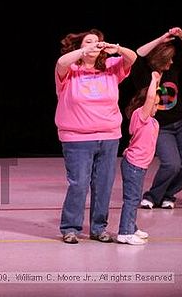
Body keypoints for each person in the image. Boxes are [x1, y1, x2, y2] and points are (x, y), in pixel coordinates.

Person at [54, 28, 137, 244]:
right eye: (87, 42)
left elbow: (133, 57)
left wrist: (115, 49)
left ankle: (99, 227)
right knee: (79, 183)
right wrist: (86, 50)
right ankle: (70, 227)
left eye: (96, 42)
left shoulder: (110, 68)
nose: (93, 44)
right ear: (80, 47)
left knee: (103, 185)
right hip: (77, 138)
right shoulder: (70, 69)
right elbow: (61, 62)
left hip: (109, 136)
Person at [132, 27, 182, 209]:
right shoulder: (144, 74)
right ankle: (153, 196)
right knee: (172, 164)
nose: (171, 62)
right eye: (168, 58)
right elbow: (138, 54)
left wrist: (181, 36)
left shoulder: (174, 69)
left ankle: (168, 195)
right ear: (160, 58)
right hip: (161, 126)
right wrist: (161, 38)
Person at [117, 71, 161, 245]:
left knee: (134, 197)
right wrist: (152, 81)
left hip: (140, 166)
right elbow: (150, 98)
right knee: (132, 199)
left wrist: (157, 83)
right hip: (133, 164)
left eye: (157, 105)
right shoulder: (140, 116)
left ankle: (131, 226)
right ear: (145, 104)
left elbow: (152, 96)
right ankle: (125, 232)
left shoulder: (151, 120)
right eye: (154, 105)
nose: (156, 108)